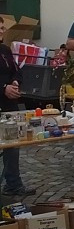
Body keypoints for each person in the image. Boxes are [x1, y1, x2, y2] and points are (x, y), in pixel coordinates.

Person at [0, 43, 34, 198]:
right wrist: (3, 88)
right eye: (0, 28)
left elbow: (16, 71)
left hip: (9, 105)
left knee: (13, 145)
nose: (3, 30)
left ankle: (13, 184)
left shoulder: (4, 49)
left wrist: (14, 82)